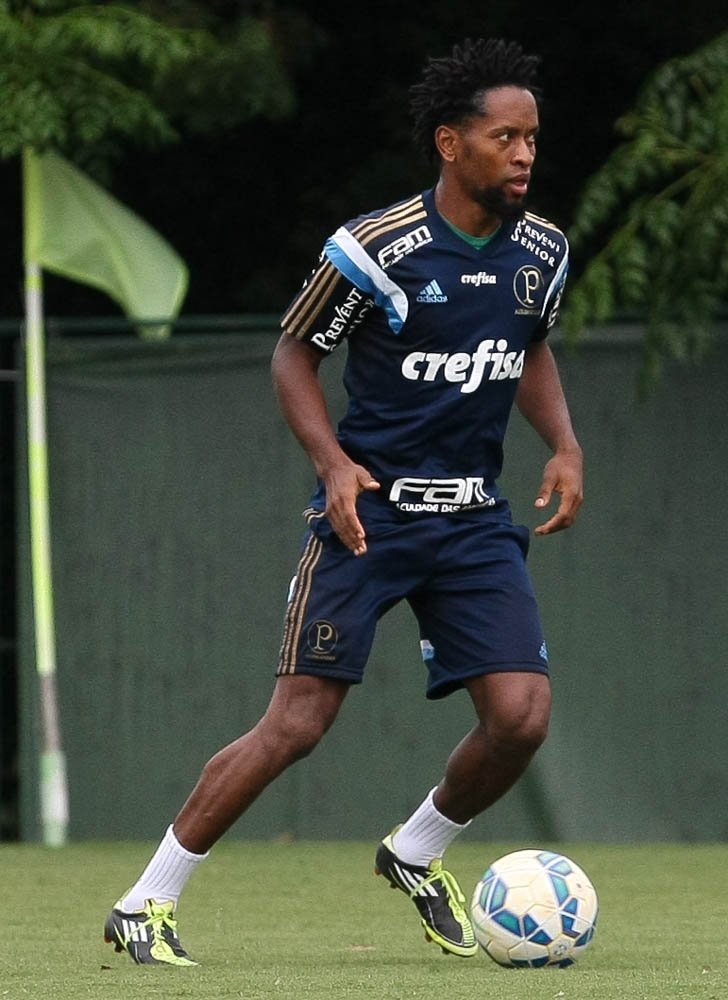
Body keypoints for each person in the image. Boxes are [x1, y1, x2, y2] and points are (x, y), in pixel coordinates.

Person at [104, 36, 583, 966]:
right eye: (506, 137)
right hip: (373, 516)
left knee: (522, 715)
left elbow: (528, 346)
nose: (526, 154)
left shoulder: (542, 254)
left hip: (476, 519)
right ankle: (144, 902)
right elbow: (293, 354)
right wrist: (331, 463)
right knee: (297, 724)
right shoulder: (377, 248)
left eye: (533, 138)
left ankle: (415, 850)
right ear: (451, 143)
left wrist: (563, 443)